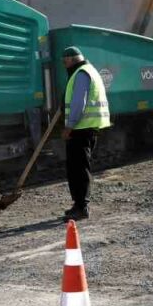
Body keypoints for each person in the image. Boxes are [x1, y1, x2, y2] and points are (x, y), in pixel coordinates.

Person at [60, 46, 111, 222]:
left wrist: (69, 126)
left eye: (65, 62)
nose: (64, 66)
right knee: (77, 168)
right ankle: (78, 205)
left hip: (81, 129)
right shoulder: (89, 70)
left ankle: (82, 207)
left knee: (79, 169)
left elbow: (78, 103)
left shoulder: (81, 73)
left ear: (72, 60)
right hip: (86, 128)